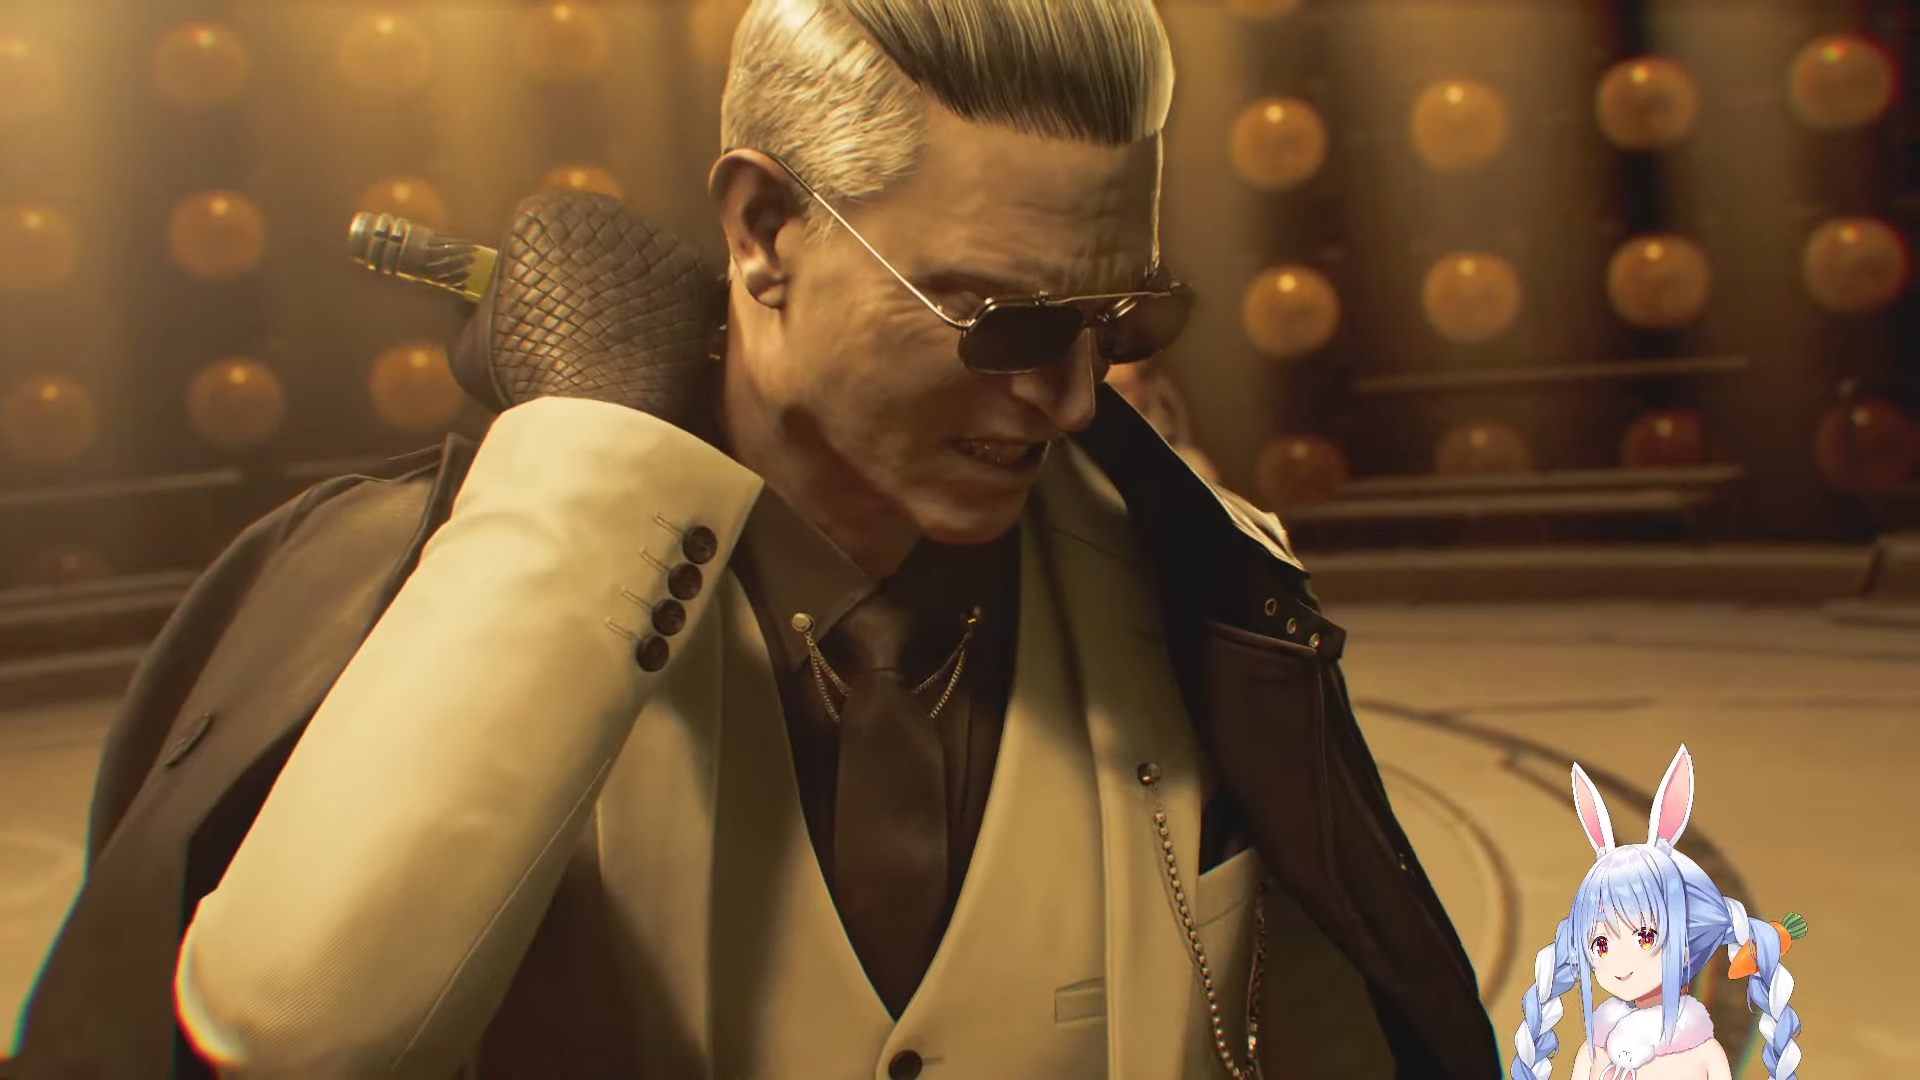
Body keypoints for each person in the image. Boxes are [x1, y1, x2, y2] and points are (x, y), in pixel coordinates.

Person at [16, 1, 1500, 1076]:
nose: (1068, 399)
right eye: (1002, 321)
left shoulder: (1203, 591)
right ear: (764, 232)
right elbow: (283, 1033)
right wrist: (591, 455)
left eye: (1122, 319)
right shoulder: (410, 587)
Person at [1510, 747, 1806, 1080]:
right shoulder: (1595, 1053)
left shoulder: (1702, 1055)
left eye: (1646, 937)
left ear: (1687, 946)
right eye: (1601, 945)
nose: (1620, 963)